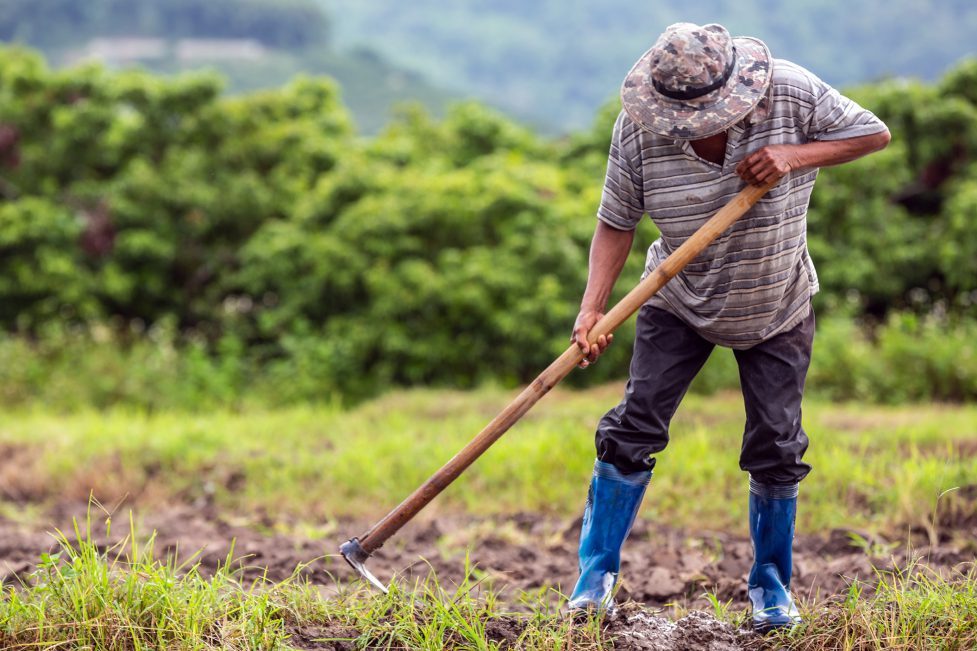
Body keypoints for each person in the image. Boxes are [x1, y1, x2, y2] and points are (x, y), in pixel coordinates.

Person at [567, 22, 890, 632]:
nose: (692, 128)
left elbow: (872, 133)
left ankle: (771, 589)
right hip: (676, 296)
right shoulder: (639, 129)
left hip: (777, 301)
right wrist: (593, 309)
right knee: (633, 427)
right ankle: (594, 581)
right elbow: (616, 220)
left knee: (776, 444)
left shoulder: (790, 92)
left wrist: (794, 155)